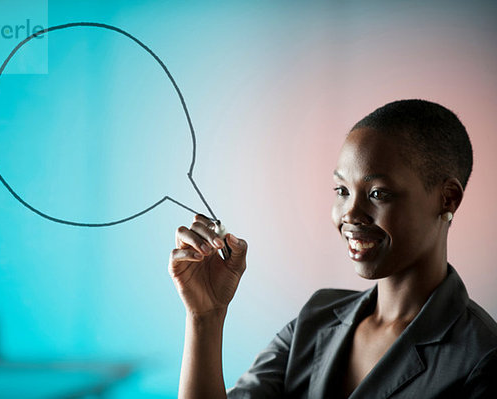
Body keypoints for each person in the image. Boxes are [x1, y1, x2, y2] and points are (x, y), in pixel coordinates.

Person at [168, 99, 497, 398]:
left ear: (447, 198)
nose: (350, 215)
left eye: (378, 193)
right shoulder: (316, 319)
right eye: (341, 190)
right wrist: (205, 316)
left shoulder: (482, 357)